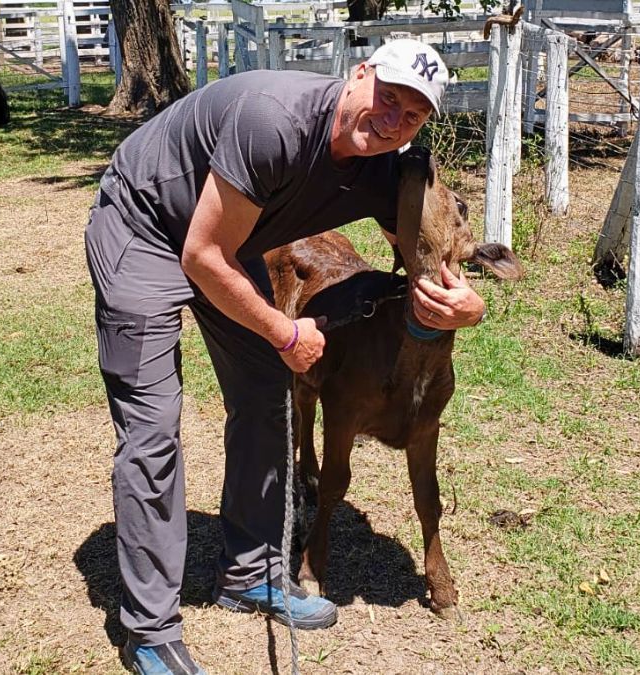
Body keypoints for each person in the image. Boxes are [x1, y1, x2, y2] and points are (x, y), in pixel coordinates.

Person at [85, 39, 489, 675]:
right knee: (153, 427)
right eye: (387, 98)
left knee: (267, 398)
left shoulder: (385, 168)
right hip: (146, 225)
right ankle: (150, 630)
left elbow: (422, 260)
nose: (392, 121)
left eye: (411, 116)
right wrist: (283, 328)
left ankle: (249, 574)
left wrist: (467, 306)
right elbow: (200, 257)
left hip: (228, 238)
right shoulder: (274, 120)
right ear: (359, 74)